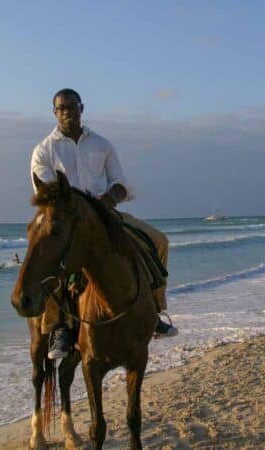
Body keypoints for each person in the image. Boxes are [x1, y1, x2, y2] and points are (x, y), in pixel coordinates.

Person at [31, 88, 178, 360]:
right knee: (47, 260)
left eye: (72, 107)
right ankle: (58, 326)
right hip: (68, 220)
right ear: (54, 113)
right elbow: (50, 192)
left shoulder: (102, 144)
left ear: (81, 108)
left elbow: (120, 183)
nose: (67, 112)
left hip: (106, 214)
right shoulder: (44, 151)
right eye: (61, 108)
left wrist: (110, 198)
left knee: (159, 241)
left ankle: (154, 311)